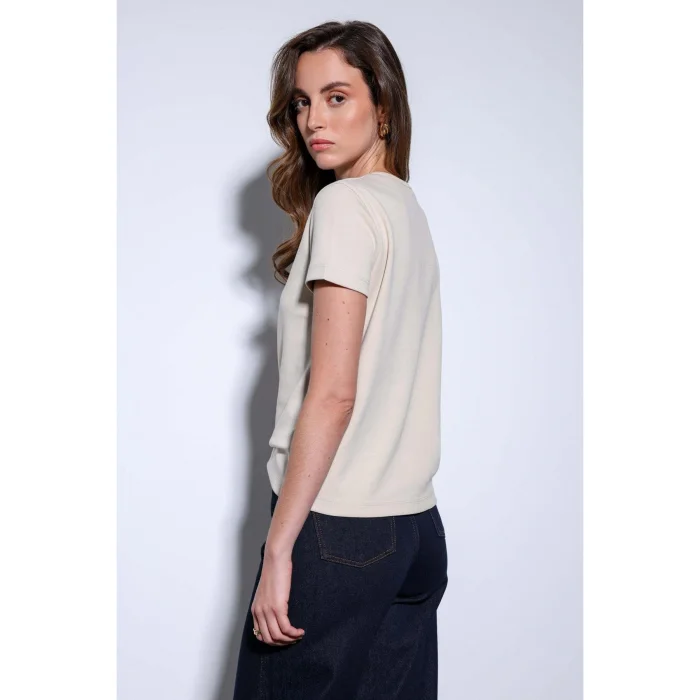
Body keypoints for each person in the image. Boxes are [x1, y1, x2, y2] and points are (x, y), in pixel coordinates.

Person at [232, 20, 448, 700]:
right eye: (302, 102)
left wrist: (278, 549)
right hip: (414, 530)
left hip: (336, 531)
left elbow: (333, 392)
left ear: (383, 108)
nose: (313, 121)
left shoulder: (346, 205)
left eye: (336, 97)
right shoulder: (405, 208)